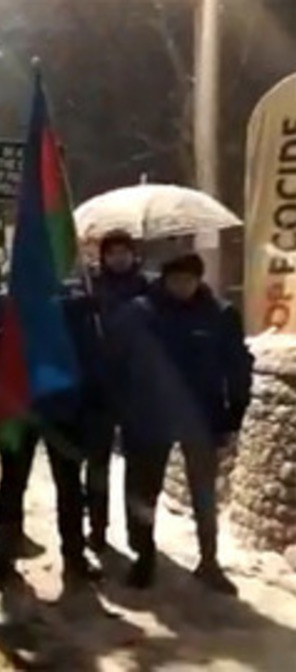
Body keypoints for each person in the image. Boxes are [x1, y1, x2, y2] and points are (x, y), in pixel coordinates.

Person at [110, 252, 252, 594]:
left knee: (204, 494)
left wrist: (235, 413)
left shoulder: (220, 315)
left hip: (202, 416)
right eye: (176, 280)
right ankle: (143, 556)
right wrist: (120, 411)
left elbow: (237, 365)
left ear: (199, 279)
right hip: (149, 416)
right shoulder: (140, 313)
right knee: (143, 491)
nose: (182, 286)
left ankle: (209, 560)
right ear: (164, 278)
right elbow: (116, 364)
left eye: (189, 280)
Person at [0, 282, 107, 585]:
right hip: (18, 406)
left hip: (63, 410)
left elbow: (90, 357)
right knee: (12, 483)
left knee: (69, 486)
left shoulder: (75, 306)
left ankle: (74, 556)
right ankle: (5, 555)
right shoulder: (6, 304)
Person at [84, 229, 152, 550]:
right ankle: (97, 528)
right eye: (112, 252)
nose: (118, 257)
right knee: (97, 464)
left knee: (137, 470)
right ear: (104, 256)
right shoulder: (90, 286)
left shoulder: (149, 288)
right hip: (99, 388)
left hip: (138, 389)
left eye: (124, 251)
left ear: (133, 254)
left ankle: (138, 536)